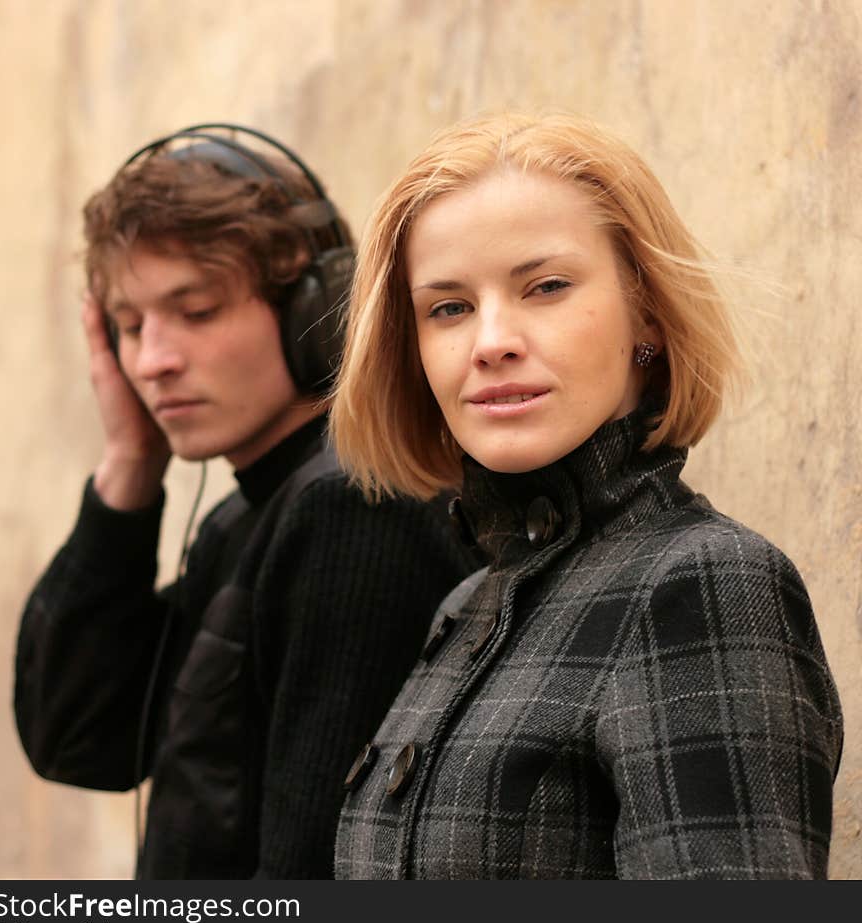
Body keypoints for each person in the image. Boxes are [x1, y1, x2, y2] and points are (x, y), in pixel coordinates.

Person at [330, 112, 844, 879]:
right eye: (449, 307)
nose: (490, 340)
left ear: (647, 312)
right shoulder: (467, 605)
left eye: (546, 287)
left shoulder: (702, 581)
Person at [14, 124, 480, 879]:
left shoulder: (354, 508)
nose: (155, 362)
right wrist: (131, 464)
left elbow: (312, 870)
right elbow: (79, 740)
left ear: (312, 310)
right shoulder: (245, 518)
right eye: (130, 327)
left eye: (195, 312)